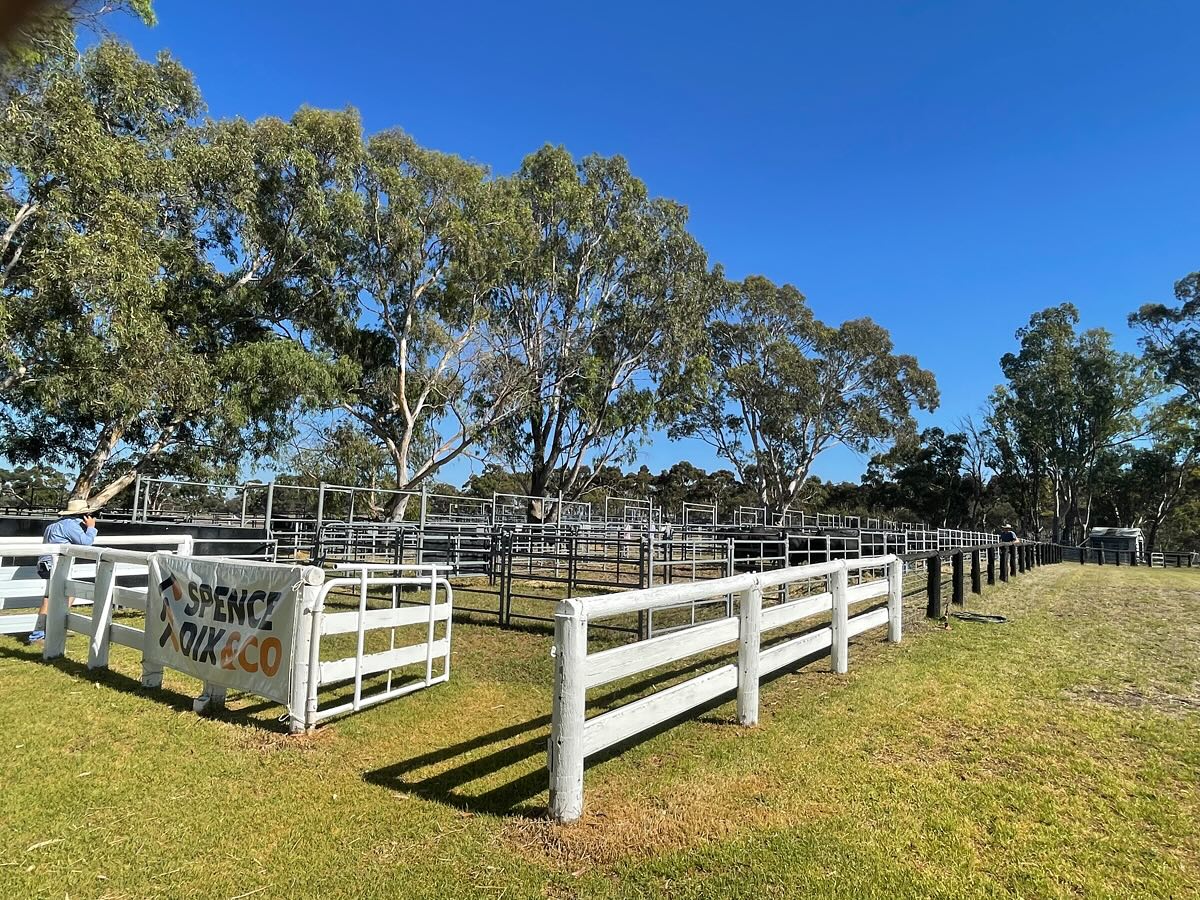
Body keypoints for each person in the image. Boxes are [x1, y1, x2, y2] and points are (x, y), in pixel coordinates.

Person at [28, 499, 97, 644]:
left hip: (45, 564)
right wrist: (91, 528)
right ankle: (39, 633)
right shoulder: (71, 525)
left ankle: (51, 627)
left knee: (63, 594)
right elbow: (86, 543)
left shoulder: (54, 525)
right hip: (55, 564)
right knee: (55, 596)